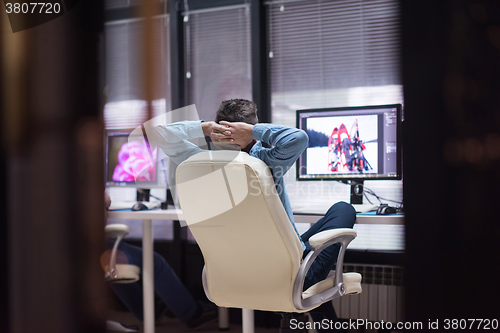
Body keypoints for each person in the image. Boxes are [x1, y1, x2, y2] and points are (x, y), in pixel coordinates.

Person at [149, 99, 356, 332]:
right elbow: (299, 138)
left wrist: (203, 128)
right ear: (252, 133)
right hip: (287, 274)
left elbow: (157, 135)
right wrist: (252, 131)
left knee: (305, 247)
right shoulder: (264, 161)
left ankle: (303, 323)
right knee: (343, 209)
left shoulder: (198, 163)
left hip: (235, 274)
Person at [103, 193, 217, 328]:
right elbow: (106, 199)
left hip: (78, 249)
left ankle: (147, 312)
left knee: (116, 265)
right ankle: (191, 314)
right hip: (89, 248)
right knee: (153, 262)